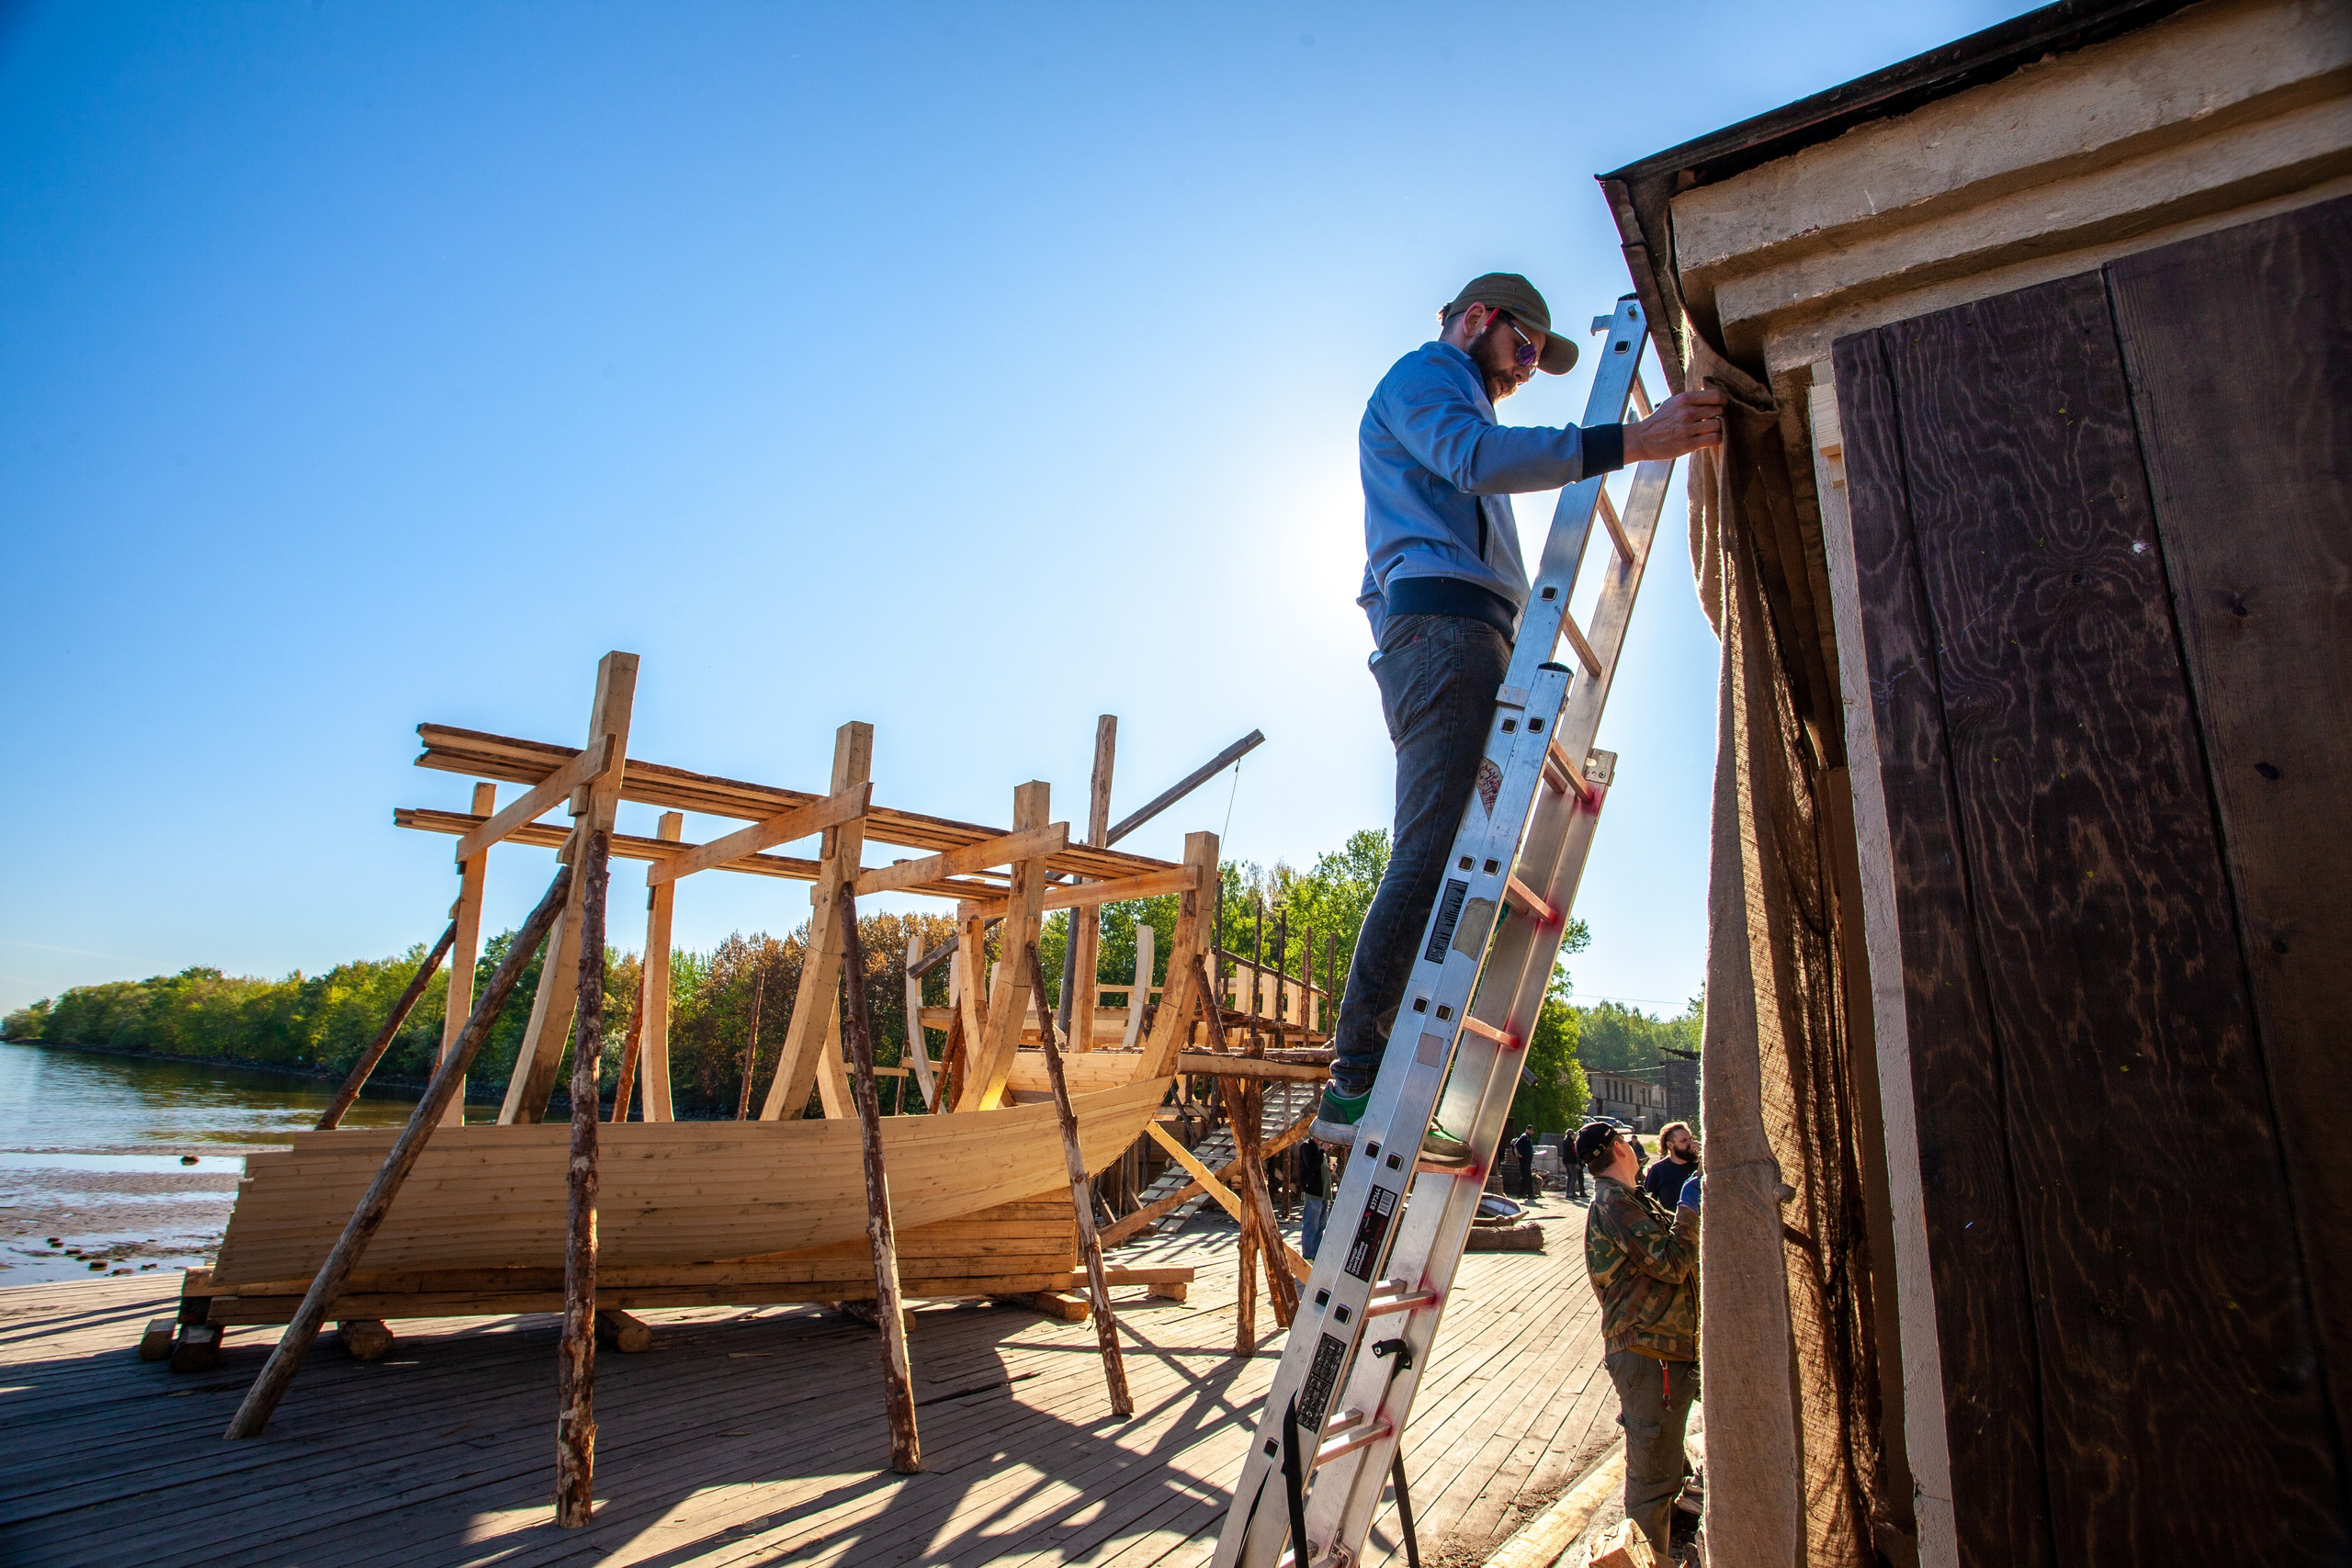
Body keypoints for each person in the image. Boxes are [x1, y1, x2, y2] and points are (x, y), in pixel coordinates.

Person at [1312, 273, 1724, 1160]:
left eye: (1539, 357)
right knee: (1426, 852)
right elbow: (1472, 460)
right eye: (1523, 347)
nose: (1527, 368)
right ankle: (1355, 1078)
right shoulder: (1426, 378)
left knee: (1466, 867)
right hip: (1445, 634)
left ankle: (1399, 1062)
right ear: (1475, 320)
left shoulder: (1468, 404)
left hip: (1469, 632)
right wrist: (1633, 439)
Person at [1576, 1118, 1700, 1561]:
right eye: (1627, 1140)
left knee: (1665, 1478)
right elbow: (1670, 1264)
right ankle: (1643, 1560)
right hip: (1651, 1358)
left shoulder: (1628, 1199)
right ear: (1620, 1149)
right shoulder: (1615, 1204)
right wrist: (1688, 1210)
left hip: (1662, 1354)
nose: (1632, 1145)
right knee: (1651, 1487)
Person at [1642, 1120, 1699, 1211]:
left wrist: (1703, 1156)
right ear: (1670, 1145)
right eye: (1683, 1141)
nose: (1690, 1143)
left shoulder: (1699, 1166)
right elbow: (1648, 1203)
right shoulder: (1658, 1170)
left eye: (1690, 1139)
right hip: (1670, 1222)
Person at [1297, 1137, 1333, 1260]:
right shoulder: (1306, 1146)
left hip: (1324, 1193)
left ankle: (1316, 1256)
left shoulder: (1319, 1149)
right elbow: (1312, 1166)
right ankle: (1307, 1256)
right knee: (1310, 1226)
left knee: (1320, 1227)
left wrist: (1330, 1169)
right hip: (1313, 1193)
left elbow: (1319, 1168)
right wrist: (1323, 1150)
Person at [1513, 1124, 1536, 1199]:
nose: (1531, 1131)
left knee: (1524, 1177)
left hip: (1527, 1159)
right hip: (1524, 1160)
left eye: (1532, 1130)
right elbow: (1517, 1143)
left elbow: (1527, 1147)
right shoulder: (1524, 1136)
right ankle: (1530, 1194)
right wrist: (1520, 1153)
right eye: (1530, 1130)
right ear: (1527, 1130)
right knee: (1528, 1177)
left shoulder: (1528, 1138)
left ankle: (1520, 1193)